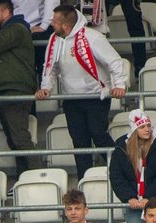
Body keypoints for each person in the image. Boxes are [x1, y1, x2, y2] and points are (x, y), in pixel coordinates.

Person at [36, 4, 125, 180]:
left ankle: (122, 169)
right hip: (71, 99)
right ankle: (84, 180)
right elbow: (50, 67)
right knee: (79, 141)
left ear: (65, 25)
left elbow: (115, 61)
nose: (51, 24)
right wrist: (46, 87)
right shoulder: (55, 40)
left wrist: (120, 85)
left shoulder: (93, 37)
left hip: (96, 97)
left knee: (98, 134)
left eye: (55, 21)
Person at [0, 0, 39, 176]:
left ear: (6, 12)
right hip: (6, 91)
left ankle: (38, 175)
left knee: (20, 138)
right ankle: (24, 177)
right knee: (14, 140)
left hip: (15, 90)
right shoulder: (9, 30)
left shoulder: (17, 28)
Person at [109, 111, 156, 223]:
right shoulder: (121, 149)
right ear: (134, 130)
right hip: (133, 205)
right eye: (142, 127)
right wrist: (130, 197)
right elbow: (116, 176)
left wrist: (149, 197)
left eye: (149, 126)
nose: (147, 129)